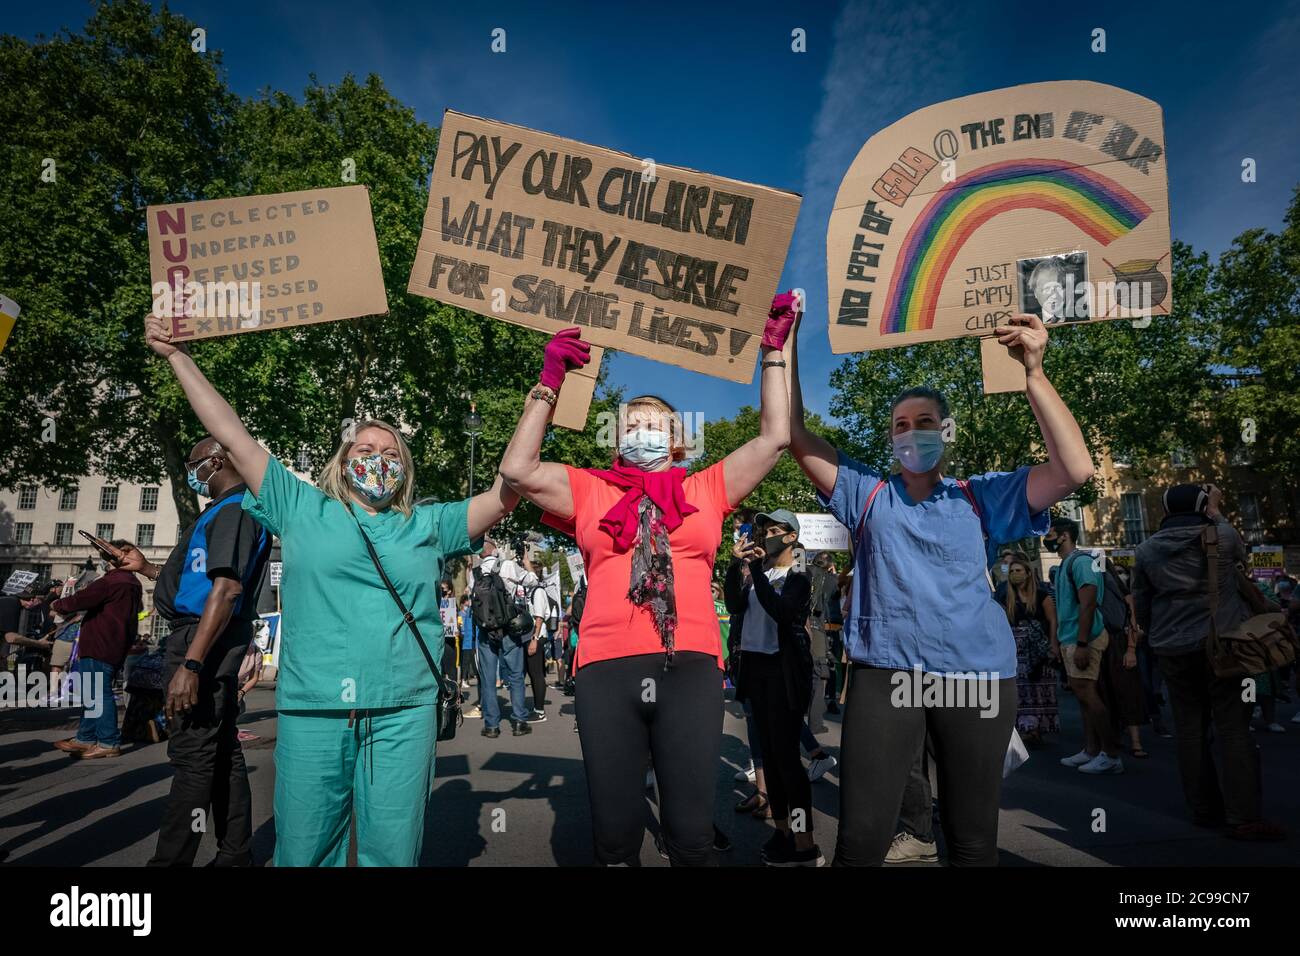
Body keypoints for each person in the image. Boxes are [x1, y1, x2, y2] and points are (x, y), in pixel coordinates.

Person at [144, 314, 520, 867]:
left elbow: (507, 491)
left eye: (392, 453)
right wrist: (177, 357)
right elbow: (231, 436)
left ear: (405, 469)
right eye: (365, 449)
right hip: (314, 711)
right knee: (304, 851)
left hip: (403, 714)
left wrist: (543, 392)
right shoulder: (300, 507)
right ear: (344, 464)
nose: (378, 459)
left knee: (391, 852)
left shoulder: (431, 523)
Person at [499, 294, 798, 866]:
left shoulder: (705, 488)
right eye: (631, 424)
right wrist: (548, 381)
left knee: (689, 834)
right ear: (617, 438)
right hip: (606, 669)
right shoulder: (589, 489)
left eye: (655, 425)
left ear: (678, 440)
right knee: (614, 836)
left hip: (689, 666)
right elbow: (517, 470)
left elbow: (774, 438)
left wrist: (773, 351)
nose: (642, 432)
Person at [788, 308, 1094, 866]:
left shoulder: (982, 496)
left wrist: (1034, 371)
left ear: (945, 431)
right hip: (888, 674)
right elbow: (794, 435)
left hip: (975, 677)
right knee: (860, 840)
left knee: (972, 838)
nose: (911, 432)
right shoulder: (867, 493)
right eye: (900, 425)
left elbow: (1074, 469)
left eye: (924, 421)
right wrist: (782, 348)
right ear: (890, 438)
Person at [116, 435, 272, 867]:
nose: (191, 474)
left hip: (200, 642)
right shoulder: (223, 511)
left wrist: (192, 662)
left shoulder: (235, 510)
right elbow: (200, 581)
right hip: (199, 638)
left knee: (193, 759)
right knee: (219, 752)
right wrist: (147, 568)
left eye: (193, 464)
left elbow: (226, 590)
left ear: (215, 460)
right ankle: (235, 853)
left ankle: (170, 862)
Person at [1132, 483, 1285, 841]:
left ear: (1166, 511)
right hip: (1224, 645)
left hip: (1172, 649)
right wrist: (1214, 506)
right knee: (1234, 728)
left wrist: (1152, 638)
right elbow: (1240, 553)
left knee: (1189, 729)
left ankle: (1203, 808)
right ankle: (1244, 815)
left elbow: (1141, 603)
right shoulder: (1223, 535)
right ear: (1202, 505)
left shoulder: (1146, 550)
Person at [726, 509, 821, 865]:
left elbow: (782, 611)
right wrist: (738, 567)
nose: (765, 535)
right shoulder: (758, 573)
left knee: (788, 764)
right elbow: (735, 605)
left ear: (791, 537)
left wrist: (757, 575)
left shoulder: (798, 574)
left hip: (784, 674)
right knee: (771, 758)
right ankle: (782, 832)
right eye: (763, 529)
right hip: (757, 671)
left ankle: (804, 842)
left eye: (774, 530)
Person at [1045, 517, 1124, 774]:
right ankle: (1091, 749)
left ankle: (1111, 754)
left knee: (1088, 694)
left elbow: (1088, 604)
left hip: (1084, 638)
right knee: (1083, 696)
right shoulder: (1066, 564)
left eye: (1050, 533)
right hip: (1071, 637)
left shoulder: (1081, 562)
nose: (1047, 538)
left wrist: (1081, 643)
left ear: (1065, 535)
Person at [51, 543, 144, 758]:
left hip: (99, 643)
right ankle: (86, 737)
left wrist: (57, 604)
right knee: (93, 693)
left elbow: (78, 601)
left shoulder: (112, 580)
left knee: (98, 694)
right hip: (114, 643)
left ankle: (107, 741)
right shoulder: (132, 582)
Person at [992, 552, 1059, 745]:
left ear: (1028, 572)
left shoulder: (1042, 593)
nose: (1014, 573)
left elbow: (1052, 619)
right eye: (1011, 570)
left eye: (1018, 570)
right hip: (1016, 647)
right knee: (1021, 689)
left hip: (1038, 646)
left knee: (1039, 687)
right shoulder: (1006, 594)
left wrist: (1053, 643)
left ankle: (1038, 728)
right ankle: (1025, 728)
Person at [473, 540, 535, 737]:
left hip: (485, 630)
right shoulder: (507, 565)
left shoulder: (474, 573)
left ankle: (491, 725)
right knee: (516, 676)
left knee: (488, 678)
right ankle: (519, 721)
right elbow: (532, 581)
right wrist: (525, 561)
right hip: (508, 628)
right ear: (495, 550)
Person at [525, 571, 551, 721]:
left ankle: (540, 711)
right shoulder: (531, 591)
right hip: (532, 635)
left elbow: (539, 617)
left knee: (537, 674)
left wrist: (534, 638)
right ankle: (537, 707)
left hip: (537, 636)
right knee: (533, 674)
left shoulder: (538, 591)